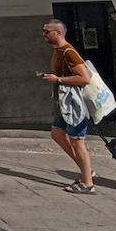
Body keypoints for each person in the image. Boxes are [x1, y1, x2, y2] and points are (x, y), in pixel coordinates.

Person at [41, 19, 95, 194]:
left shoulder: (69, 52)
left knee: (77, 141)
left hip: (74, 104)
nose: (44, 34)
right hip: (63, 102)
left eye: (47, 31)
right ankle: (86, 169)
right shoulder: (58, 51)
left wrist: (58, 79)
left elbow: (84, 78)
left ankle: (87, 183)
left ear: (58, 32)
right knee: (57, 134)